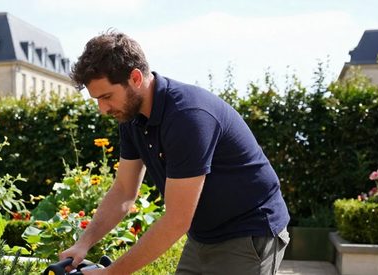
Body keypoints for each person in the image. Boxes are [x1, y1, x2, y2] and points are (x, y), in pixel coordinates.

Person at [58, 31, 290, 275]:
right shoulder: (130, 119)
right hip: (202, 236)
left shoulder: (186, 116)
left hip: (249, 233)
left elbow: (177, 220)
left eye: (107, 96)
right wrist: (83, 244)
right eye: (96, 99)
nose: (103, 109)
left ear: (135, 78)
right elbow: (123, 191)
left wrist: (110, 273)